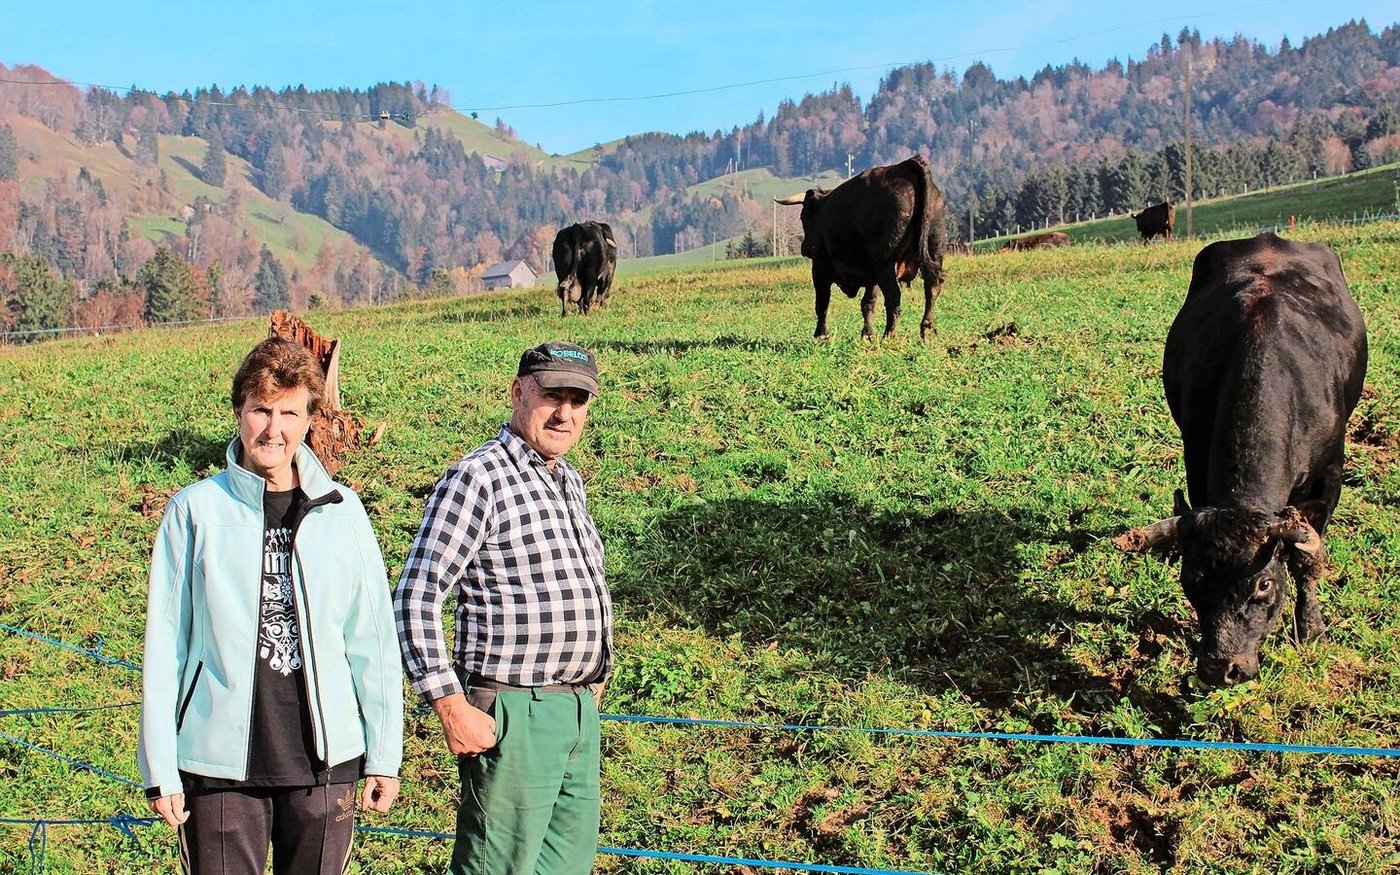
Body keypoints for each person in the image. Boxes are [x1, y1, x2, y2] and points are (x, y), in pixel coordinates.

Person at [138, 336, 403, 875]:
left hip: (326, 767)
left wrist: (384, 755)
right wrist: (160, 765)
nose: (273, 428)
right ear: (239, 411)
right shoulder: (194, 512)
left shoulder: (343, 512)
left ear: (310, 420)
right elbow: (165, 644)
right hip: (217, 769)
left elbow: (371, 641)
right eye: (260, 410)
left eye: (288, 413)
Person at [396, 340, 612, 875]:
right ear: (518, 393)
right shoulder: (480, 477)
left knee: (565, 869)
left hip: (576, 711)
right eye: (552, 396)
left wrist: (593, 676)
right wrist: (449, 703)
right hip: (516, 712)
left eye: (578, 400)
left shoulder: (568, 481)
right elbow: (416, 594)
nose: (566, 413)